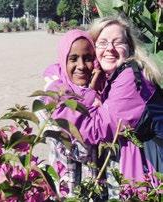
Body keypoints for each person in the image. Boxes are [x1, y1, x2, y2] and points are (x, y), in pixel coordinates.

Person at [50, 16, 162, 198]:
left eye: (118, 42)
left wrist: (56, 94)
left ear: (130, 47)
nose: (110, 48)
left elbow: (94, 128)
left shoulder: (131, 79)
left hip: (148, 173)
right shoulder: (113, 76)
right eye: (102, 43)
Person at [39, 29, 103, 197]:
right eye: (73, 59)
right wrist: (91, 93)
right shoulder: (53, 94)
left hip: (92, 187)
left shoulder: (99, 88)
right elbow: (79, 151)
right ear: (63, 60)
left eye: (88, 58)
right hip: (65, 189)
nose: (81, 66)